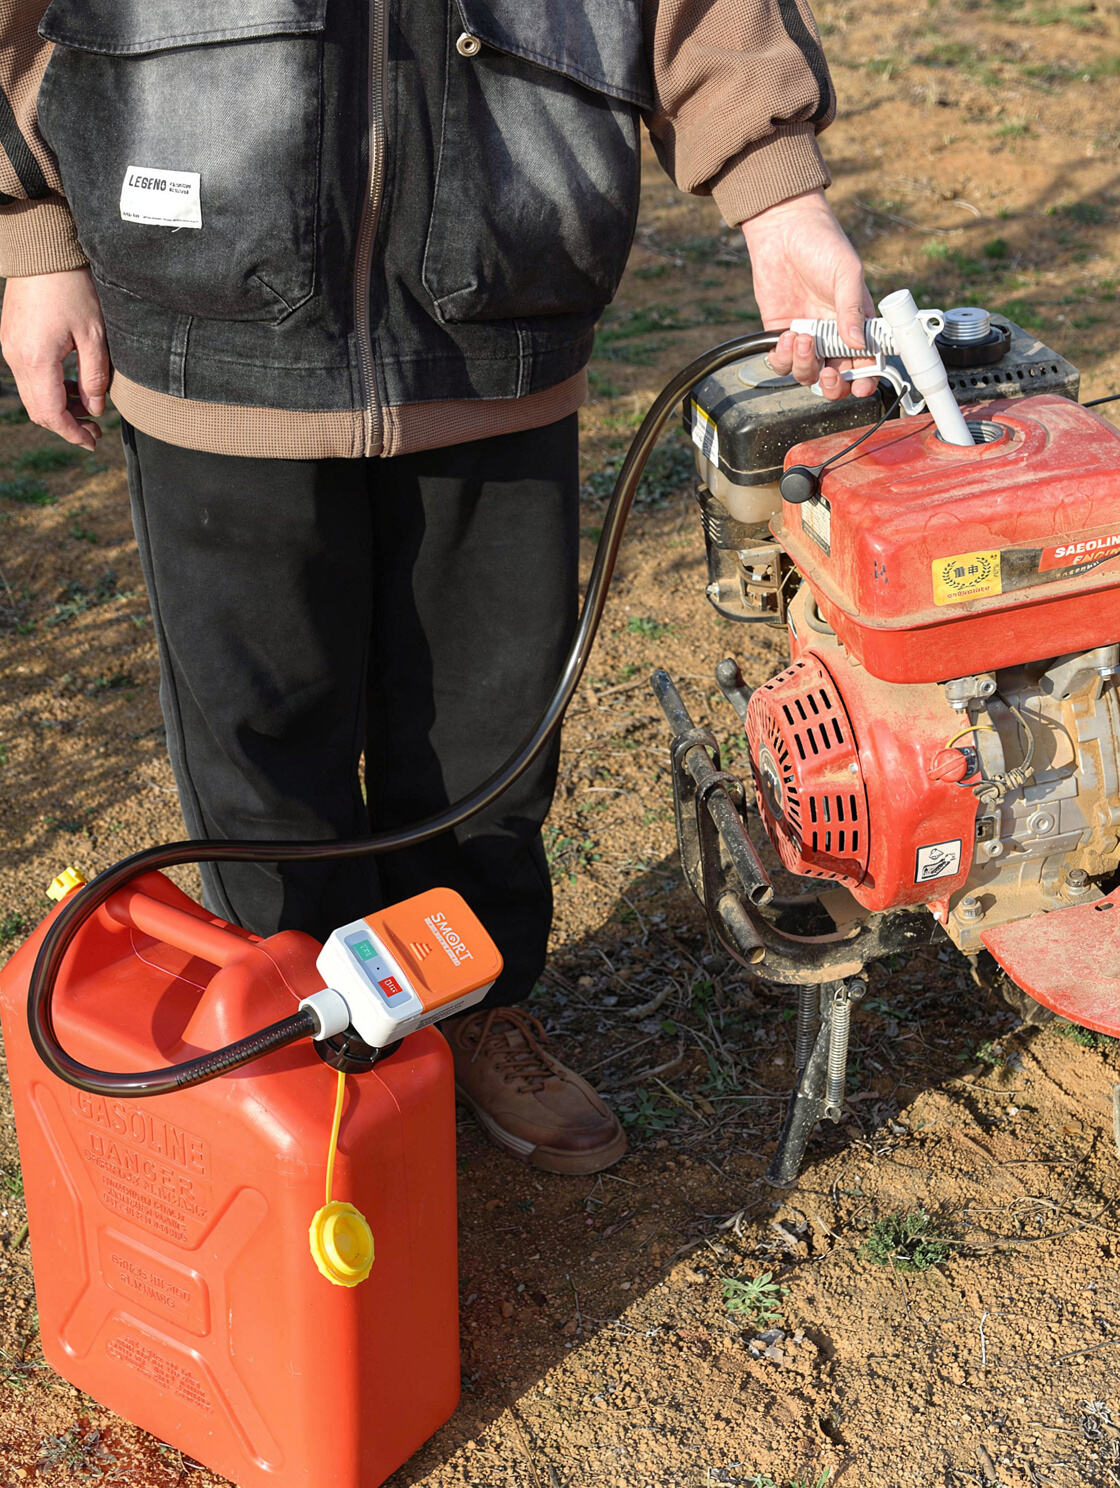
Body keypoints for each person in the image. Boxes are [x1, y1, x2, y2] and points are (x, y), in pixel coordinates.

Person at [0, 0, 875, 1176]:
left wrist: (780, 198)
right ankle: (308, 1044)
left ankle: (472, 1004)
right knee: (263, 748)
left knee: (488, 729)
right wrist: (31, 236)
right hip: (206, 319)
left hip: (498, 313)